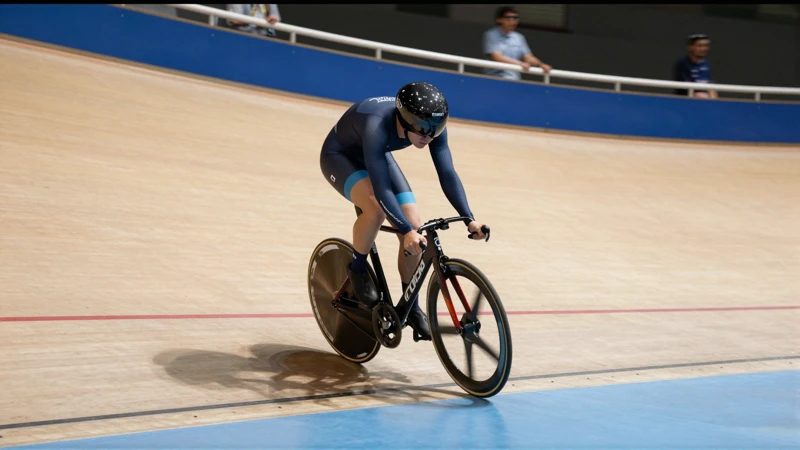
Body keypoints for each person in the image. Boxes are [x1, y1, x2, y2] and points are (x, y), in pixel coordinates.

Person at [319, 82, 489, 342]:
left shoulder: (430, 125)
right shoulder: (377, 125)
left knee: (414, 224)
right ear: (404, 120)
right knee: (375, 209)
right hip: (340, 155)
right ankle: (357, 268)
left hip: (376, 153)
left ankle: (411, 307)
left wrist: (469, 218)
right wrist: (406, 231)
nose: (429, 137)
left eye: (436, 130)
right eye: (422, 130)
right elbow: (382, 188)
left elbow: (447, 173)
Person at [483, 5, 552, 80]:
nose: (512, 21)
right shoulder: (491, 34)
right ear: (499, 20)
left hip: (514, 79)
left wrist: (541, 65)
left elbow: (528, 57)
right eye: (508, 18)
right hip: (495, 79)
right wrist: (520, 64)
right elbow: (497, 57)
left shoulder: (519, 38)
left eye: (515, 18)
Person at [674, 33, 717, 99]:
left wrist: (715, 102)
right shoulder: (682, 64)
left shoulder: (706, 64)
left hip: (706, 102)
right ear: (690, 47)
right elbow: (685, 89)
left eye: (706, 46)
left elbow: (710, 86)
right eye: (700, 46)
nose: (703, 49)